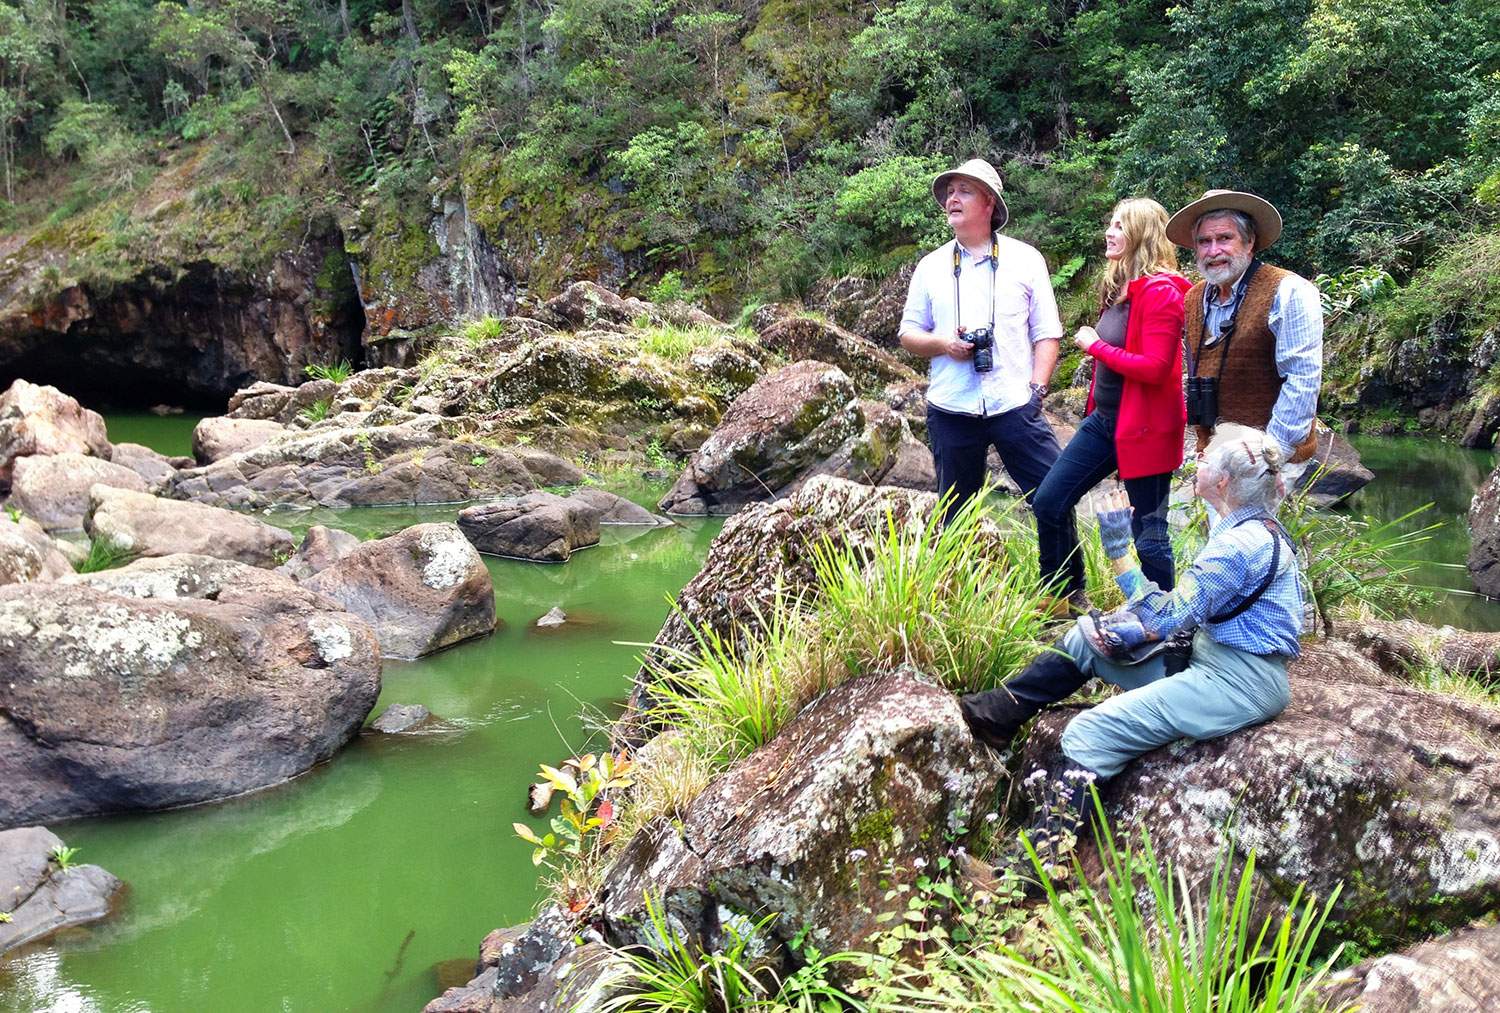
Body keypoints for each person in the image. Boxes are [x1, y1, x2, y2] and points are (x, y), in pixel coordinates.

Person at [960, 424, 1302, 867]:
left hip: (1238, 681)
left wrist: (1119, 552)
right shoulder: (1244, 523)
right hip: (1210, 658)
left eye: (1207, 459)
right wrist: (1122, 626)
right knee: (1085, 639)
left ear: (1223, 482)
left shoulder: (1238, 546)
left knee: (1089, 733)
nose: (1197, 461)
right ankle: (994, 716)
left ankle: (1036, 866)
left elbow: (1163, 618)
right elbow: (1173, 613)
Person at [1031, 198, 1191, 608]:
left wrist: (1096, 346)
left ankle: (1163, 625)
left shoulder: (1163, 293)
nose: (1110, 231)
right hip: (1105, 422)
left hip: (1147, 428)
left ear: (1141, 235)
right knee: (1049, 500)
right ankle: (1063, 598)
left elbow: (1156, 368)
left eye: (1120, 226)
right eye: (1111, 223)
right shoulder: (1118, 286)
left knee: (1150, 536)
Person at [899, 158, 1064, 526]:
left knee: (1055, 497)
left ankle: (1066, 585)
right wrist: (944, 344)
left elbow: (1047, 332)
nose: (951, 199)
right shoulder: (930, 266)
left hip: (1015, 403)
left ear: (989, 202)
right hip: (951, 408)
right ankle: (956, 583)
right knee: (954, 518)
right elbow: (907, 333)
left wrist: (1037, 391)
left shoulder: (1025, 259)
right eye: (949, 193)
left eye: (964, 191)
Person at [1166, 190, 1322, 482]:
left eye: (1225, 238)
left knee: (1255, 529)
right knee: (1223, 529)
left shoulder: (1289, 292)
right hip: (1216, 457)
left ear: (1250, 242)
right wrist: (1205, 445)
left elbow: (1302, 379)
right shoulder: (1193, 299)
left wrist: (1272, 455)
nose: (1213, 251)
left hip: (1272, 460)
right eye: (1204, 242)